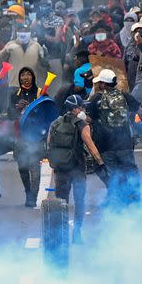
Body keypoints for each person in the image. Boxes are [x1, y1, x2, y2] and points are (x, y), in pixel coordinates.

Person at [47, 94, 105, 244]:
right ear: (76, 109)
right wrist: (100, 162)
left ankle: (62, 233)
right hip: (77, 167)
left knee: (61, 202)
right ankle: (77, 233)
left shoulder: (55, 123)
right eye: (82, 106)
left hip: (60, 169)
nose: (84, 109)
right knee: (79, 201)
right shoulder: (81, 124)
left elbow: (49, 145)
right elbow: (90, 145)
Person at [86, 69, 142, 207]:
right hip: (125, 143)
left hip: (105, 145)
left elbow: (89, 119)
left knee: (112, 174)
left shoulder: (96, 99)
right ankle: (136, 199)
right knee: (131, 171)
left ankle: (115, 201)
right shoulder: (125, 96)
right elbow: (141, 113)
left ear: (103, 84)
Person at [9, 67, 42, 207]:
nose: (26, 77)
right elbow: (9, 114)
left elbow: (46, 112)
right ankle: (28, 191)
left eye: (29, 74)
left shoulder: (40, 92)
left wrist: (32, 108)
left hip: (35, 135)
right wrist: (17, 108)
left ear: (33, 77)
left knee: (34, 166)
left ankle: (33, 197)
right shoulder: (15, 94)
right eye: (23, 74)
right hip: (20, 135)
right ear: (19, 78)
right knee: (22, 167)